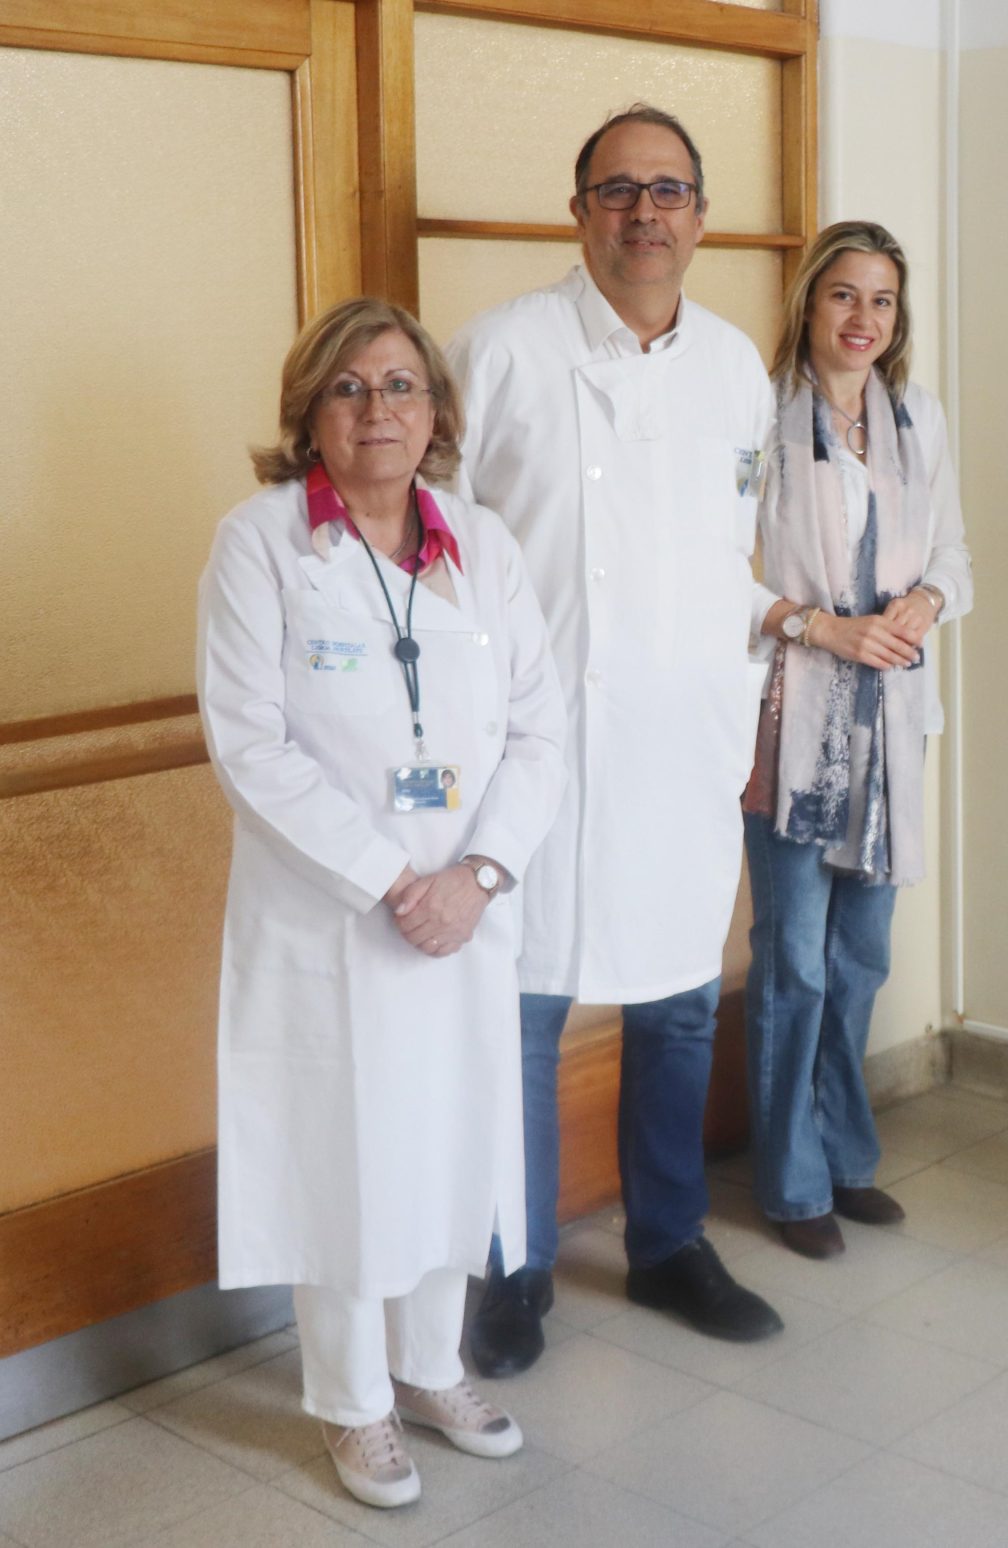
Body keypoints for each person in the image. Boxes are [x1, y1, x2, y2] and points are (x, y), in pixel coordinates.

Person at [196, 298, 566, 1507]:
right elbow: (250, 746)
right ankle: (352, 1402)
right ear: (308, 412)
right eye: (348, 389)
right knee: (343, 1149)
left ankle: (431, 1366)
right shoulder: (259, 545)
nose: (377, 410)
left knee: (455, 1131)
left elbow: (539, 733)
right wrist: (395, 881)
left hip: (463, 914)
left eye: (401, 385)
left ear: (436, 411)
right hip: (336, 915)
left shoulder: (483, 545)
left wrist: (478, 876)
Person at [446, 103, 783, 1376]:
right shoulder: (499, 352)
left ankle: (669, 1242)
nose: (646, 212)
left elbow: (727, 557)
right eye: (619, 189)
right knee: (521, 1010)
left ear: (700, 215)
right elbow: (439, 555)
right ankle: (511, 1268)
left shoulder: (736, 367)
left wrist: (750, 704)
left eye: (669, 190)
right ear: (578, 210)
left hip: (681, 741)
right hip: (535, 746)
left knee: (682, 1002)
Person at [744, 220, 972, 1258]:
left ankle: (843, 1157)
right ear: (809, 303)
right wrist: (817, 626)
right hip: (793, 716)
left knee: (859, 957)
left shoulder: (916, 416)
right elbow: (720, 573)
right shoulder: (761, 415)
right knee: (793, 961)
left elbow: (955, 552)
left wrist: (928, 599)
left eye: (881, 300)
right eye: (843, 295)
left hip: (890, 722)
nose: (862, 318)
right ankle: (790, 1182)